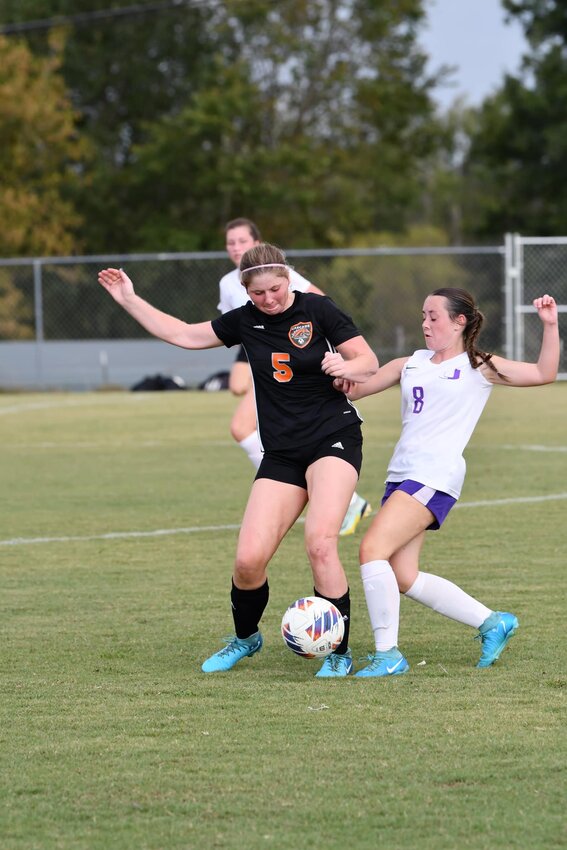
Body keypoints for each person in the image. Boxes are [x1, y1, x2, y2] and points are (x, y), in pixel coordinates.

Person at [98, 243, 378, 677]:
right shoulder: (245, 321)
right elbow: (183, 334)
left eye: (276, 289)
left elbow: (369, 361)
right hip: (283, 452)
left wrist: (345, 367)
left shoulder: (318, 310)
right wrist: (129, 299)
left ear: (288, 280)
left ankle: (339, 651)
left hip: (333, 437)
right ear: (245, 291)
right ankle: (246, 638)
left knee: (320, 543)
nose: (269, 299)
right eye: (259, 293)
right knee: (248, 561)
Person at [333, 288, 559, 677]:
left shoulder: (478, 365)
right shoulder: (411, 363)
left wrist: (550, 325)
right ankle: (492, 621)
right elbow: (358, 389)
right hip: (402, 475)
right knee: (403, 575)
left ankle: (388, 656)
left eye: (434, 316)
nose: (425, 323)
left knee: (371, 549)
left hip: (433, 475)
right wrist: (338, 370)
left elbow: (544, 374)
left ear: (460, 321)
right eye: (423, 315)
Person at [218, 217, 372, 535]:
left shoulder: (275, 271)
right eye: (231, 243)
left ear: (257, 244)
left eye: (242, 241)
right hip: (260, 347)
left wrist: (340, 359)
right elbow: (231, 325)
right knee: (237, 390)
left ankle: (345, 499)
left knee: (240, 425)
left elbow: (317, 302)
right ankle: (303, 486)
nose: (236, 248)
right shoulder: (227, 283)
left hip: (291, 360)